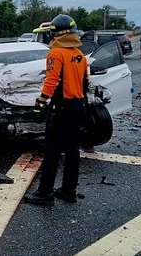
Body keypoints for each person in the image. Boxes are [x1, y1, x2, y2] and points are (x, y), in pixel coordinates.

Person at [24, 14, 89, 206]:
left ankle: (45, 193)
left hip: (62, 108)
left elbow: (52, 81)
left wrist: (41, 102)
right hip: (78, 106)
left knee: (52, 150)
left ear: (55, 34)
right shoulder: (80, 55)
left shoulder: (56, 54)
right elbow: (85, 83)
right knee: (72, 150)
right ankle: (69, 190)